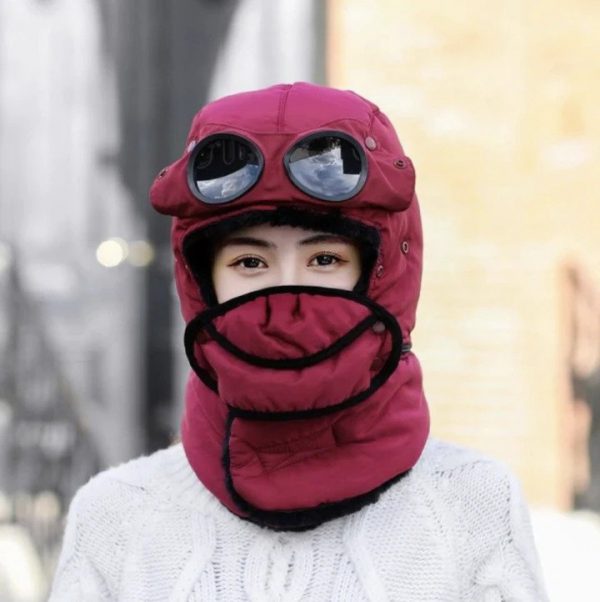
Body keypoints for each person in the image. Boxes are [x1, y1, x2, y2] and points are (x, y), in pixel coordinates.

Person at [49, 82, 549, 600]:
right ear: (201, 282)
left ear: (382, 275)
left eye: (324, 260)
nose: (286, 295)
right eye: (250, 262)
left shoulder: (473, 507)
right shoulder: (116, 517)